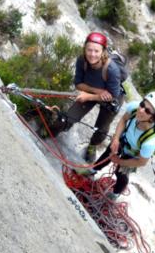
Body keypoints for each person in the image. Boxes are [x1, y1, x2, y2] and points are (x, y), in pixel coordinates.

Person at [52, 32, 124, 162]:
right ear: (84, 48)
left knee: (102, 128)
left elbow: (112, 96)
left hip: (111, 99)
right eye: (89, 50)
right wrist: (95, 92)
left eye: (96, 51)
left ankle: (93, 146)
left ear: (103, 52)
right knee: (69, 116)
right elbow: (78, 84)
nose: (92, 54)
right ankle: (57, 128)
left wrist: (89, 97)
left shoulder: (112, 70)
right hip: (93, 90)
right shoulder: (82, 61)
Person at [89, 92, 155, 201]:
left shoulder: (150, 141)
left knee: (121, 173)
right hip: (123, 140)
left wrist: (119, 161)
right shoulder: (134, 108)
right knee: (109, 152)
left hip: (133, 154)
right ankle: (92, 170)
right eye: (142, 105)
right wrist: (116, 139)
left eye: (148, 111)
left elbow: (141, 162)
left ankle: (115, 194)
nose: (141, 110)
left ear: (153, 118)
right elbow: (123, 120)